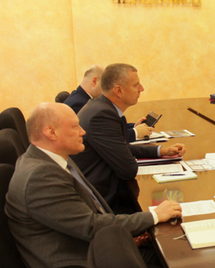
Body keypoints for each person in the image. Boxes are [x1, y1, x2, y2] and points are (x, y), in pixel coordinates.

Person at [5, 102, 182, 268]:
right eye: (75, 127)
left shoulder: (51, 160)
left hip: (92, 252)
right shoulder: (40, 177)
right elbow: (91, 226)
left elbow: (87, 217)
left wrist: (130, 235)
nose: (83, 132)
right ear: (51, 132)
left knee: (176, 257)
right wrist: (154, 215)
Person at [72, 63, 186, 214]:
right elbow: (128, 170)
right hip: (105, 202)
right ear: (118, 91)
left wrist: (161, 151)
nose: (142, 89)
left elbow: (121, 147)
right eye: (136, 85)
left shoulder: (102, 108)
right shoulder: (102, 116)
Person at [65, 65, 151, 141]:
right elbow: (105, 135)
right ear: (95, 81)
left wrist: (134, 126)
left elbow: (109, 128)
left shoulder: (87, 101)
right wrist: (135, 132)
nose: (109, 88)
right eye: (105, 83)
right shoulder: (79, 104)